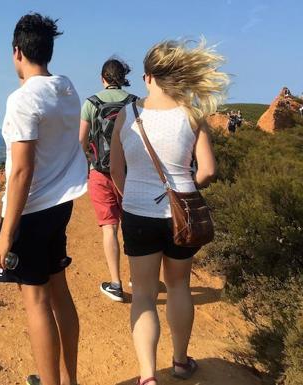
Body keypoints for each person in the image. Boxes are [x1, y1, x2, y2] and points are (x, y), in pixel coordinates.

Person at [110, 39, 227, 385]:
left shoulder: (127, 116)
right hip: (184, 214)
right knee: (179, 286)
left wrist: (133, 197)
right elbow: (206, 170)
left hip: (137, 213)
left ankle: (147, 376)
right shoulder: (192, 115)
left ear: (147, 78)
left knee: (144, 294)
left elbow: (116, 171)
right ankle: (179, 362)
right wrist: (182, 187)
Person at [0, 13, 87, 385]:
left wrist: (6, 235)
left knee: (37, 302)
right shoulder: (67, 88)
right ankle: (68, 379)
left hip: (30, 213)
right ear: (48, 51)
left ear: (17, 52)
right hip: (60, 206)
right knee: (58, 290)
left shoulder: (22, 100)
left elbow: (21, 171)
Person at [79, 58, 137, 302]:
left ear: (103, 77)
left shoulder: (91, 103)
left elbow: (81, 140)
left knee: (109, 228)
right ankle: (139, 276)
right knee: (131, 226)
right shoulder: (135, 102)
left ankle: (116, 283)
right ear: (123, 77)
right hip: (130, 172)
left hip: (100, 172)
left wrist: (89, 162)